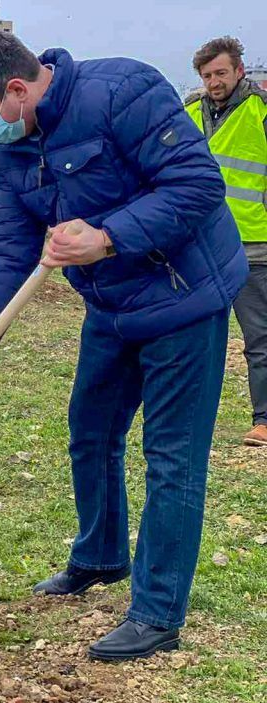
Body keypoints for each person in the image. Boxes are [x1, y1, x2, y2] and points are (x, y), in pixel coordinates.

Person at [0, 30, 247, 661]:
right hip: (110, 306)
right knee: (91, 431)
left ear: (17, 92)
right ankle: (101, 556)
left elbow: (196, 185)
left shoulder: (123, 92)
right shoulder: (15, 146)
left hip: (183, 295)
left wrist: (106, 237)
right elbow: (10, 249)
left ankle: (157, 612)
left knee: (171, 458)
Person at [186, 37, 267, 446]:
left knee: (260, 338)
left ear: (239, 70)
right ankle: (188, 416)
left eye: (221, 72)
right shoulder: (186, 115)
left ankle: (265, 420)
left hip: (255, 245)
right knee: (192, 337)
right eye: (207, 75)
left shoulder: (261, 112)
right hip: (199, 248)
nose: (214, 81)